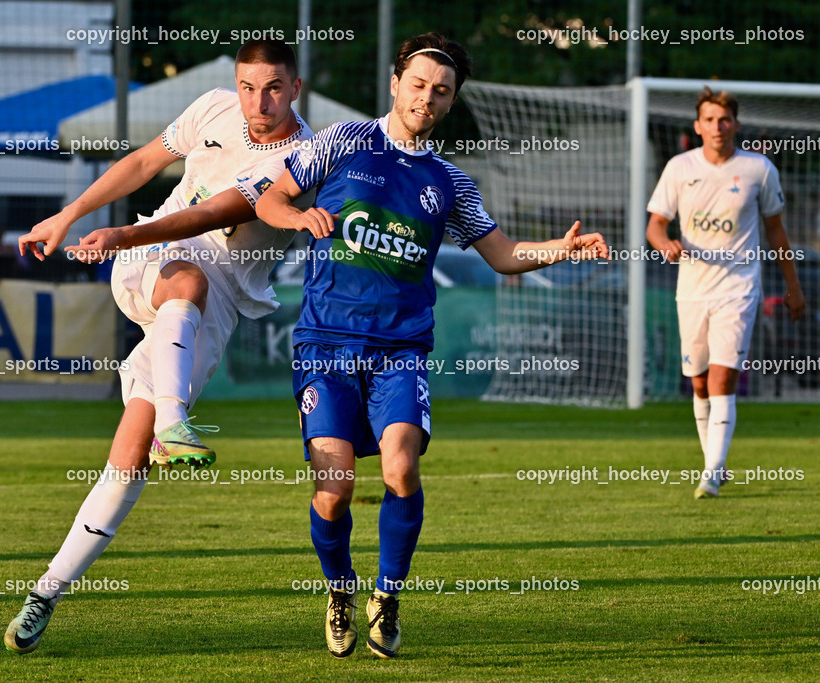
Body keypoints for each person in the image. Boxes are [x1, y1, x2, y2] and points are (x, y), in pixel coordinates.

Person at [256, 32, 608, 659]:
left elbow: (502, 255)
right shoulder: (342, 141)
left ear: (451, 101)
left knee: (400, 468)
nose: (426, 98)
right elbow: (271, 197)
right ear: (396, 84)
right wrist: (299, 216)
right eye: (417, 84)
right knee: (334, 491)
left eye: (440, 91)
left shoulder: (449, 182)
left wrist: (560, 249)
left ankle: (387, 597)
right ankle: (339, 590)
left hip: (401, 350)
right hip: (325, 346)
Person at [3, 38, 312, 654]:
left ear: (295, 88)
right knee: (188, 278)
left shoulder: (305, 157)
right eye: (249, 87)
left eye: (274, 88)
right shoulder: (214, 106)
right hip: (153, 253)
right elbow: (145, 162)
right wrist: (71, 215)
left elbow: (224, 212)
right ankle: (176, 422)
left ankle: (45, 593)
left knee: (129, 458)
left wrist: (119, 233)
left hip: (216, 303)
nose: (259, 102)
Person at [646, 86, 805, 500]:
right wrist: (665, 244)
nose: (718, 127)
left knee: (722, 377)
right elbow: (656, 225)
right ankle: (713, 462)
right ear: (698, 126)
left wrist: (793, 286)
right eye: (710, 120)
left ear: (735, 124)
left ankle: (712, 474)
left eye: (725, 119)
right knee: (699, 382)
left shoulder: (759, 169)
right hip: (692, 290)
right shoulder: (680, 167)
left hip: (739, 289)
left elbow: (776, 231)